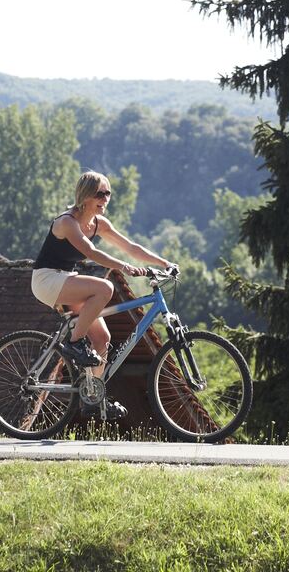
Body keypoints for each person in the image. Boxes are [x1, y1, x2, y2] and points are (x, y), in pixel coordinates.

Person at [30, 170, 175, 420]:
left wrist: (165, 263)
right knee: (104, 288)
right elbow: (90, 251)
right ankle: (75, 343)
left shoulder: (98, 223)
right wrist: (124, 266)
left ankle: (93, 398)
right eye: (100, 193)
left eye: (108, 193)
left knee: (102, 338)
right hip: (46, 279)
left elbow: (131, 247)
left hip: (66, 279)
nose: (105, 198)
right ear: (85, 196)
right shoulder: (67, 222)